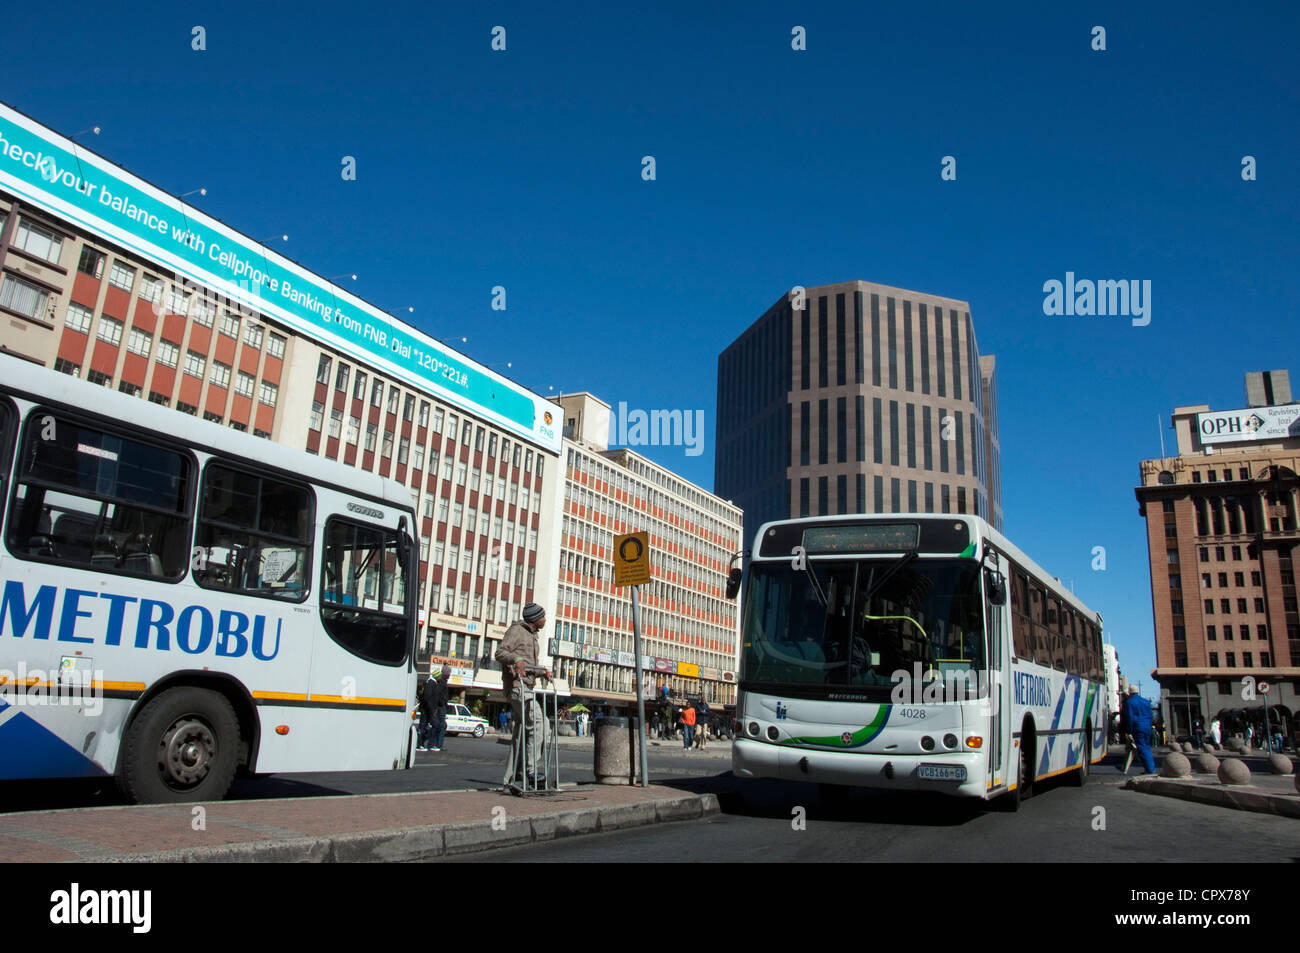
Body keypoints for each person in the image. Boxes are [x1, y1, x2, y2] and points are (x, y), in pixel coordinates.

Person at [495, 602, 553, 787]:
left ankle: (512, 776)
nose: (545, 619)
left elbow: (526, 665)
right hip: (517, 687)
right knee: (536, 721)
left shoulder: (532, 636)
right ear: (536, 619)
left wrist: (541, 671)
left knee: (526, 730)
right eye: (543, 616)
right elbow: (500, 653)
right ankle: (531, 769)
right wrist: (516, 659)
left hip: (527, 687)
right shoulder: (517, 631)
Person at [1125, 686, 1156, 775]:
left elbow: (1130, 717)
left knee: (1142, 747)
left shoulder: (1130, 702)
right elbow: (1150, 715)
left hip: (1138, 727)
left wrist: (1129, 731)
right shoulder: (1145, 701)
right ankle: (1150, 767)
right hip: (1147, 726)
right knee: (1146, 746)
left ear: (1130, 693)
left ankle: (1150, 769)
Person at [428, 666, 450, 752]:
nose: (449, 675)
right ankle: (437, 744)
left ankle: (435, 744)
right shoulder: (442, 682)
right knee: (441, 725)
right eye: (448, 673)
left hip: (440, 706)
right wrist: (442, 703)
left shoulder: (442, 682)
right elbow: (439, 694)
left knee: (439, 725)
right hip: (441, 707)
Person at [416, 677, 434, 751]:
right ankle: (419, 744)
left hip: (425, 710)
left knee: (425, 727)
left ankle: (421, 744)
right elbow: (426, 699)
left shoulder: (426, 688)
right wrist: (430, 708)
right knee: (423, 727)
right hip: (425, 710)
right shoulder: (427, 688)